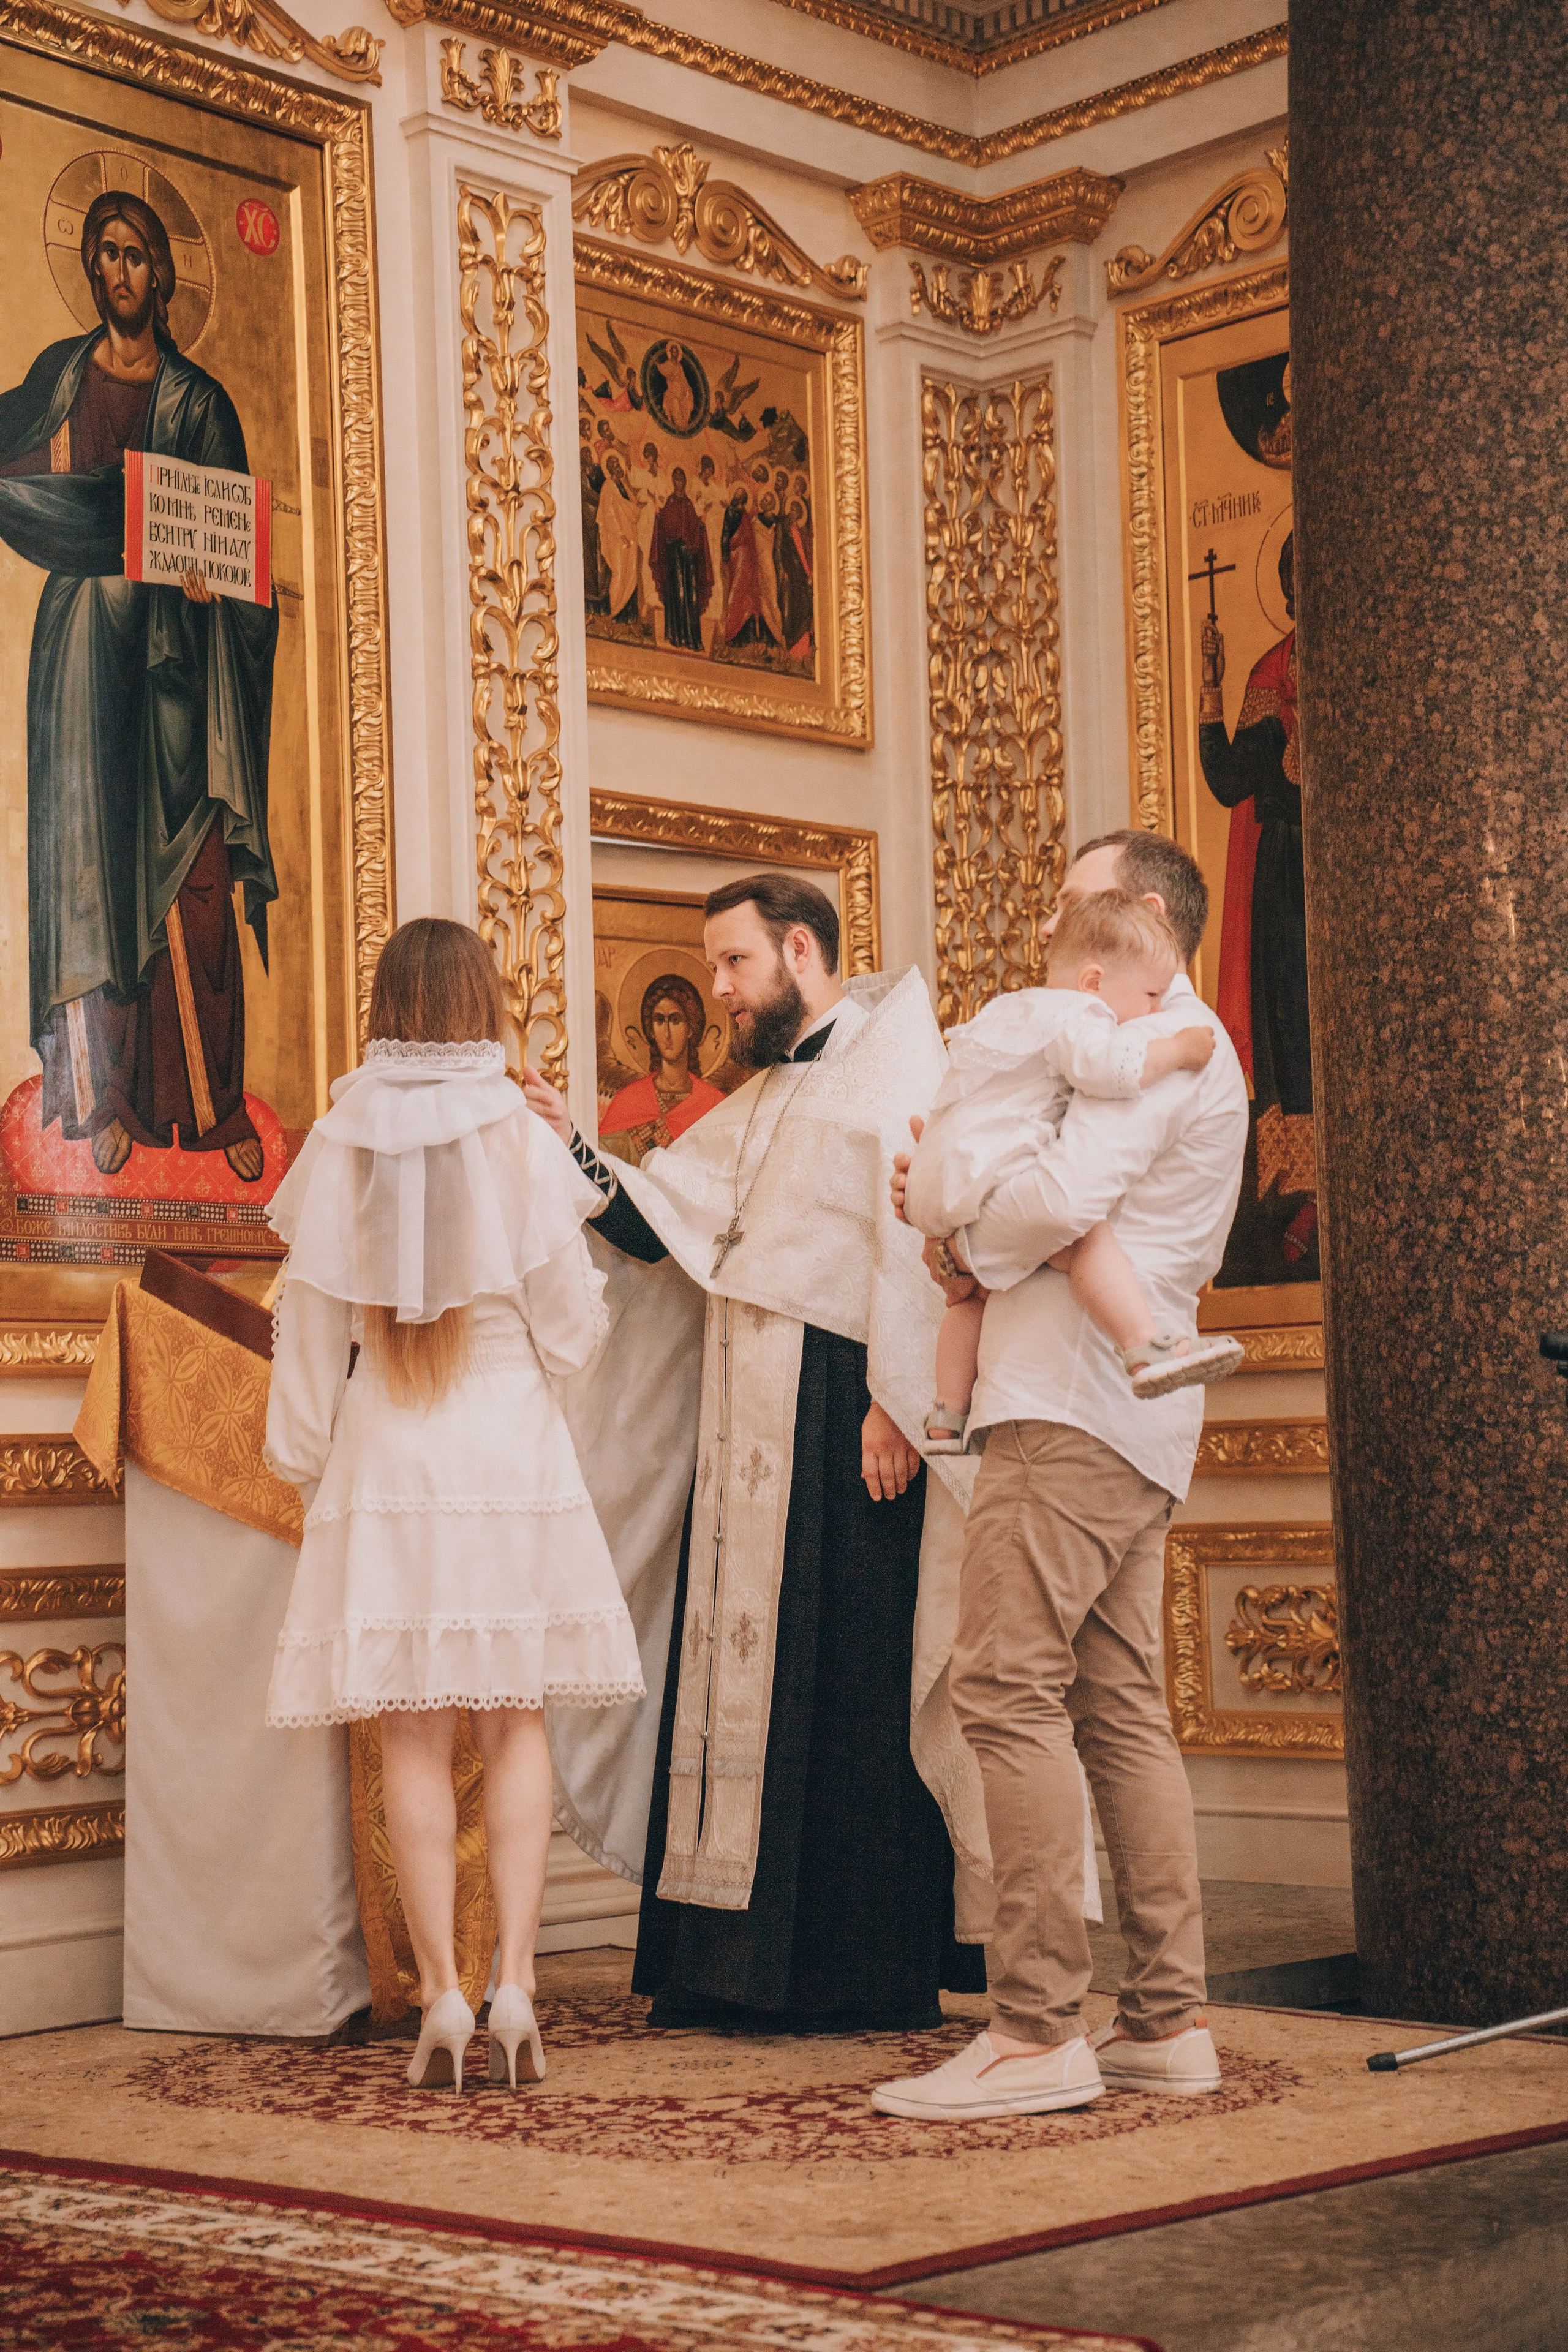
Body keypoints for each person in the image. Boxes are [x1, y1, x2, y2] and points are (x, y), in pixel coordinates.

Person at [524, 874, 996, 2033]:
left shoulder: (890, 1071)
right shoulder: (769, 1094)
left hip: (849, 1424)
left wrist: (900, 1401)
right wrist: (570, 1149)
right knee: (747, 1683)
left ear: (800, 948)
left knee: (844, 1691)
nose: (721, 993)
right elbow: (669, 1227)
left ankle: (854, 1972)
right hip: (750, 1427)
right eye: (714, 970)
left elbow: (923, 1247)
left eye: (735, 965)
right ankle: (726, 1967)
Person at [875, 829, 1248, 2120]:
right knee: (1115, 1707)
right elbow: (1036, 1200)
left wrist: (952, 1215)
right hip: (1112, 1412)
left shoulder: (1153, 1041)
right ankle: (1165, 2018)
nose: (1051, 919)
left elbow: (1052, 1207)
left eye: (1072, 896)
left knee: (1002, 1687)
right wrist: (960, 1220)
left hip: (1071, 1411)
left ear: (1141, 911)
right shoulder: (1140, 1034)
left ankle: (1035, 2028)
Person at [263, 918, 643, 2095]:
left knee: (410, 1736)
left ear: (386, 1006)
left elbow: (309, 1335)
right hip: (505, 1439)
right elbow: (574, 1332)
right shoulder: (522, 1142)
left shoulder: (340, 1139)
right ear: (483, 1003)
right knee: (513, 1719)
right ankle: (518, 1980)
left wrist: (306, 1460)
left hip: (391, 1452)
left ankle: (441, 1996)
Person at [0, 190, 278, 1182]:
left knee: (191, 882)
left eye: (134, 255)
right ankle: (101, 1098)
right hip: (83, 655)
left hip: (179, 669)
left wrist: (214, 590)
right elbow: (16, 483)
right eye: (102, 253)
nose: (117, 271)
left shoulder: (201, 405)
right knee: (92, 871)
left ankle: (205, 1113)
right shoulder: (57, 381)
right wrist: (100, 514)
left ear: (163, 274)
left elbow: (243, 561)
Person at [903, 891, 1240, 1450]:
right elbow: (1109, 1076)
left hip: (952, 1166)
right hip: (1070, 1408)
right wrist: (1177, 1049)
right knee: (1084, 1237)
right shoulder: (1080, 1015)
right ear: (1093, 981)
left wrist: (946, 1227)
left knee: (967, 1300)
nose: (1155, 1012)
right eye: (1150, 996)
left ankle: (947, 1413)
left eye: (1070, 904)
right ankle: (1143, 1344)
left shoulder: (1013, 1007)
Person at [1199, 531, 1316, 1265]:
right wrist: (1210, 684)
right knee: (1289, 1031)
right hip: (1282, 879)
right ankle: (1304, 1192)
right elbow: (1229, 778)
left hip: (1342, 866)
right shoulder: (1272, 672)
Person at [600, 974, 726, 1164]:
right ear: (651, 1029)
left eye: (675, 1020)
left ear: (691, 1028)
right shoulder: (628, 1101)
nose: (667, 1032)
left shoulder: (715, 1104)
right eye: (659, 1021)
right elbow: (604, 1168)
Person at [649, 469, 713, 652]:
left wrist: (703, 518)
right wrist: (657, 510)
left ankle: (694, 639)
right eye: (676, 479)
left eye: (682, 479)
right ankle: (678, 636)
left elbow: (694, 525)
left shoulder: (688, 503)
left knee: (692, 596)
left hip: (689, 555)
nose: (680, 483)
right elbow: (666, 524)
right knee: (679, 594)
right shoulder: (671, 502)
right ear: (673, 482)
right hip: (675, 554)